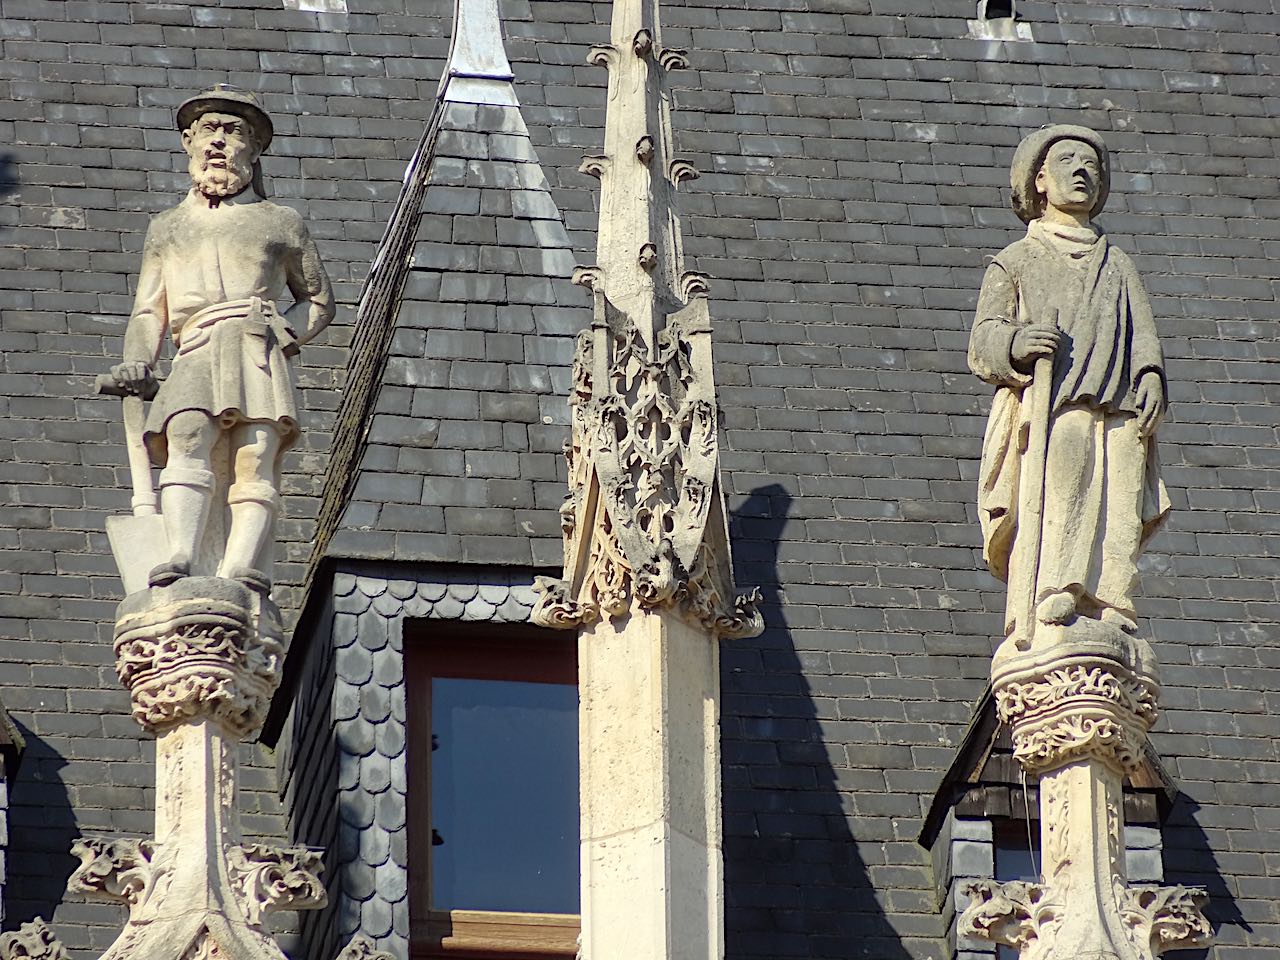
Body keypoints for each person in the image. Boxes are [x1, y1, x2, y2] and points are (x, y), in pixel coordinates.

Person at [109, 86, 335, 591]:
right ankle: (182, 554)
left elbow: (318, 300)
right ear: (189, 143)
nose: (218, 142)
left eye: (232, 132)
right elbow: (149, 310)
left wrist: (282, 332)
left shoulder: (280, 222)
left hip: (255, 345)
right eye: (207, 131)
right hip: (197, 346)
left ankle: (239, 567)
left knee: (254, 454)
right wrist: (138, 362)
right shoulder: (167, 227)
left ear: (252, 149)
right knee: (187, 435)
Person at [969, 124, 1169, 636]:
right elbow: (984, 338)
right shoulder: (1016, 260)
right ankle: (1057, 584)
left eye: (1092, 166)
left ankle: (1112, 597)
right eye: (1068, 162)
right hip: (1060, 402)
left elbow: (1142, 335)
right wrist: (1016, 343)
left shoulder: (1118, 265)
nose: (1083, 171)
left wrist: (1149, 375)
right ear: (1038, 181)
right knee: (1067, 474)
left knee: (1120, 496)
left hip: (1118, 402)